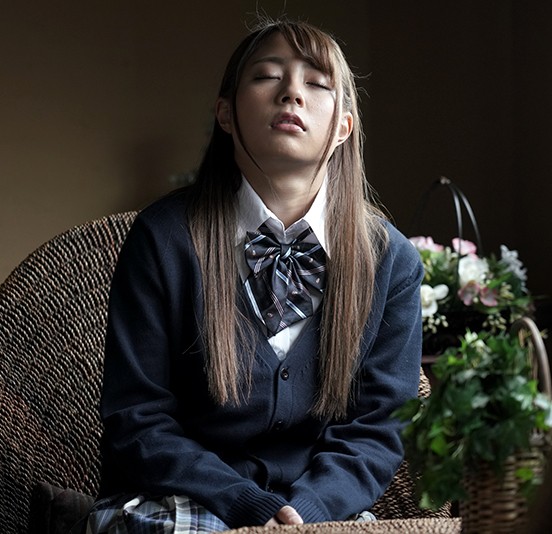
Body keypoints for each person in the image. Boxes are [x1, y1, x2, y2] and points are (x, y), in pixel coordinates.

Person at [80, 18, 424, 533]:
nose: (292, 93)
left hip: (318, 514)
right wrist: (245, 504)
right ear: (225, 113)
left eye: (317, 83)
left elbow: (378, 429)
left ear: (344, 128)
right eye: (267, 76)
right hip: (175, 501)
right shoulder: (164, 237)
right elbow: (137, 418)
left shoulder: (391, 260)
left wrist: (306, 512)